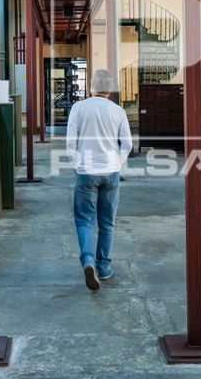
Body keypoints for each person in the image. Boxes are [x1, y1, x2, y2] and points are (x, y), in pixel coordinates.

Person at [66, 69, 132, 291]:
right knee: (107, 222)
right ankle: (103, 268)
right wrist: (118, 163)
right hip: (111, 171)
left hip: (86, 171)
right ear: (110, 89)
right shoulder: (118, 111)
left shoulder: (79, 108)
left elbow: (70, 142)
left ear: (91, 86)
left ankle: (88, 261)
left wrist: (76, 164)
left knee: (84, 220)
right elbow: (128, 144)